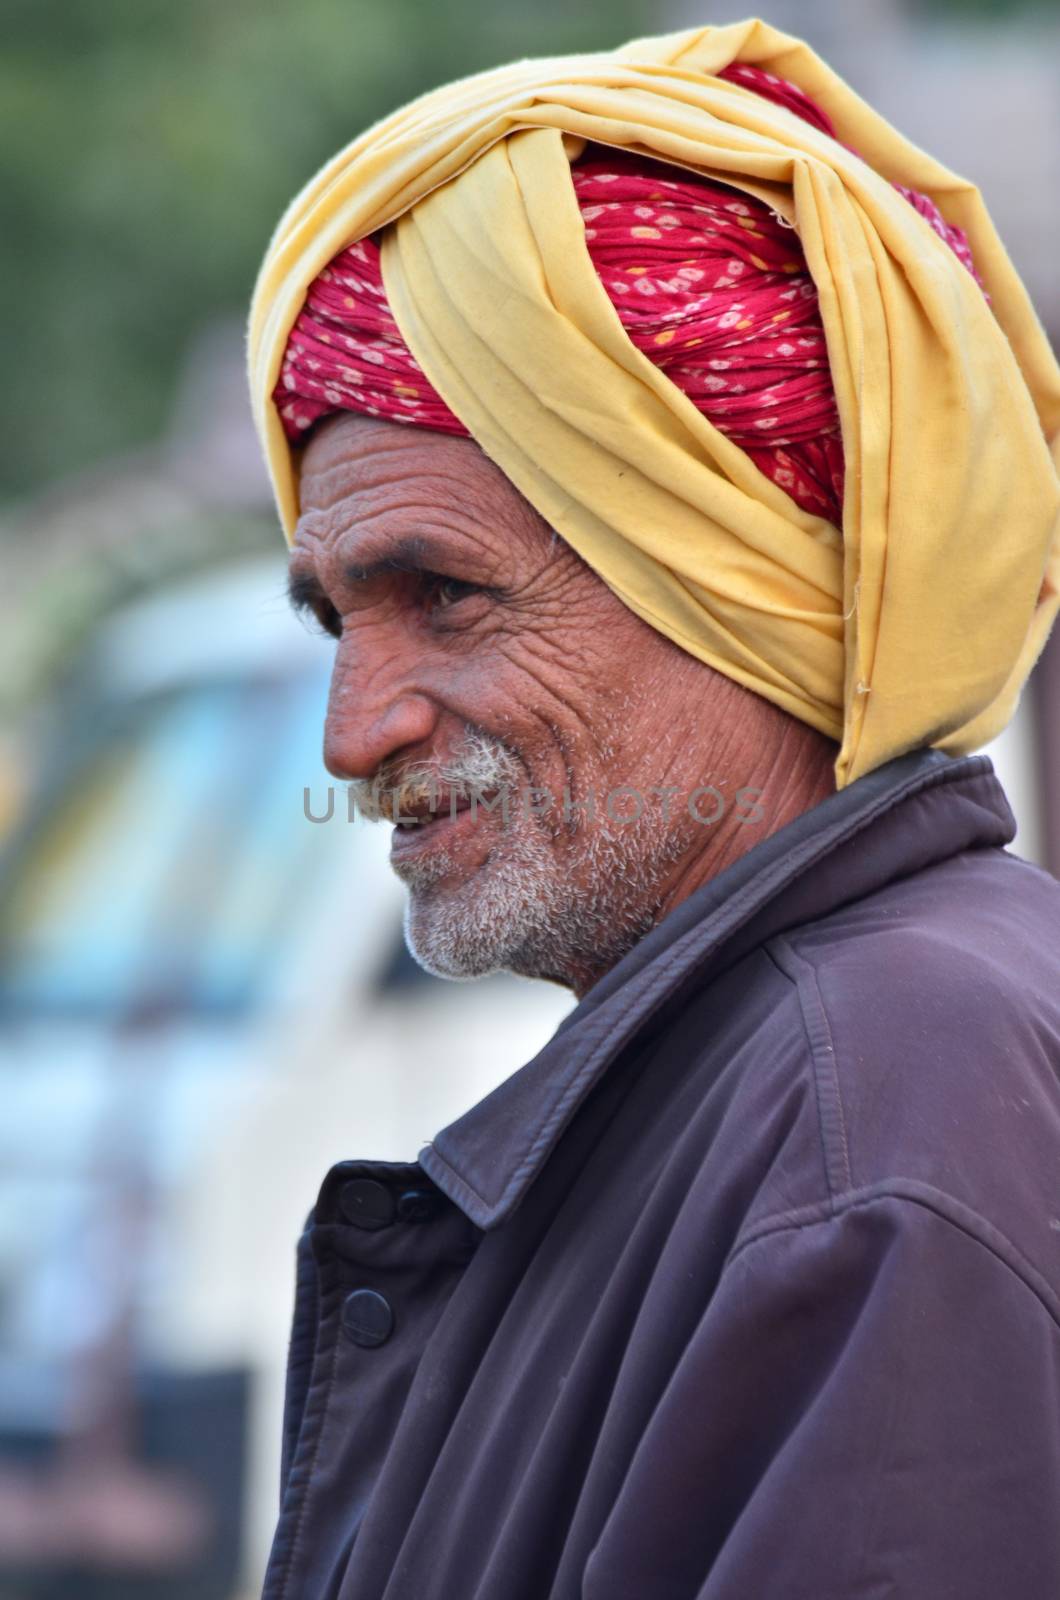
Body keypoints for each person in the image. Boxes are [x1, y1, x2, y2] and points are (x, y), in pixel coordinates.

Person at [247, 19, 1060, 1598]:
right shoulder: (785, 1071)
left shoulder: (886, 1102)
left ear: (752, 587)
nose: (355, 736)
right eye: (334, 620)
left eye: (447, 596)